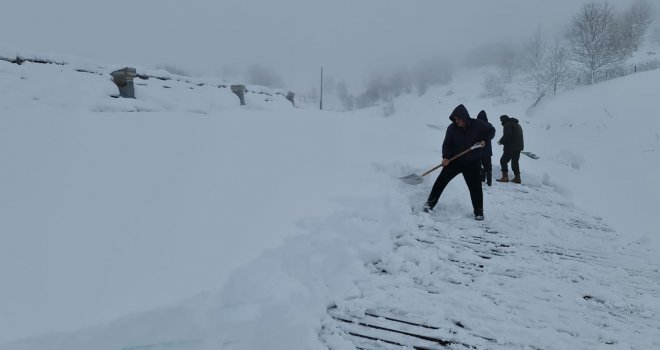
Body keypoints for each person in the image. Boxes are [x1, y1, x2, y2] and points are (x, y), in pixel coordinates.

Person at [424, 104, 496, 220]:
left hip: (472, 162)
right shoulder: (451, 128)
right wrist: (446, 157)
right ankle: (429, 204)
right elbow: (447, 144)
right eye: (455, 119)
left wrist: (484, 139)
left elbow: (491, 130)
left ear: (464, 118)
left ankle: (479, 212)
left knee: (475, 187)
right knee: (441, 181)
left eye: (458, 119)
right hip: (455, 161)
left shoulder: (478, 124)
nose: (456, 121)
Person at [496, 115, 524, 184]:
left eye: (501, 120)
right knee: (515, 162)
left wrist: (500, 141)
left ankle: (505, 177)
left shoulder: (507, 124)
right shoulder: (517, 125)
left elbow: (507, 135)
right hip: (518, 147)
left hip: (511, 147)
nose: (501, 122)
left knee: (503, 160)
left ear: (503, 120)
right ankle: (517, 178)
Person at [476, 110, 494, 186]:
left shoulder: (483, 125)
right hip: (485, 150)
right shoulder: (488, 125)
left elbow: (492, 133)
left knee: (482, 165)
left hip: (481, 150)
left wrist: (483, 139)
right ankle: (486, 180)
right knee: (486, 166)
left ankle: (486, 180)